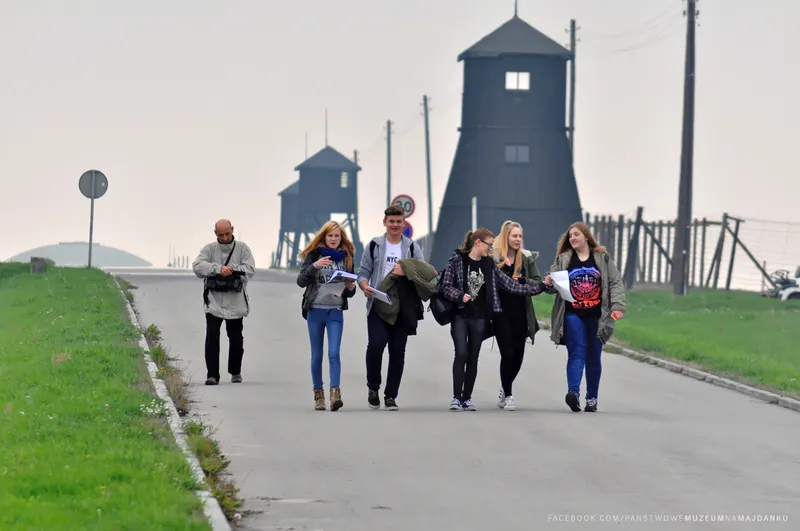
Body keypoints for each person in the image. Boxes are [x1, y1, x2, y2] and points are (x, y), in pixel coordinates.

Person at [439, 228, 545, 411]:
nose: (491, 247)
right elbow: (446, 286)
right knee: (461, 353)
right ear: (478, 243)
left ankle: (467, 398)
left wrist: (540, 287)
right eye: (489, 244)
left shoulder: (489, 265)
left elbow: (511, 285)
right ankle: (456, 398)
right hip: (460, 315)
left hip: (479, 317)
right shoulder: (457, 261)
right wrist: (459, 295)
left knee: (473, 356)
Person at [543, 222, 626, 413]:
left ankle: (592, 398)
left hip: (597, 315)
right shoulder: (564, 259)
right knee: (577, 351)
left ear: (586, 237)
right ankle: (573, 393)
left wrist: (618, 306)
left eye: (576, 234)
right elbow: (552, 285)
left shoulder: (602, 258)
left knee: (594, 355)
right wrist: (548, 282)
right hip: (573, 313)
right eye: (570, 235)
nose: (572, 238)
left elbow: (615, 282)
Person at [356, 204, 425, 411]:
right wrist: (365, 286)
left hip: (402, 306)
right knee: (376, 346)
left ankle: (391, 395)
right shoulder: (374, 246)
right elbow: (363, 273)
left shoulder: (412, 247)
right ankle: (373, 388)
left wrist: (407, 273)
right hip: (378, 304)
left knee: (398, 352)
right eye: (391, 221)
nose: (395, 225)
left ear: (404, 223)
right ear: (385, 222)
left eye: (398, 221)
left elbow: (421, 273)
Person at [296, 221, 357, 411]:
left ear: (341, 238)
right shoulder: (314, 254)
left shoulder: (346, 257)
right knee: (317, 355)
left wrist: (350, 287)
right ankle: (318, 394)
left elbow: (350, 292)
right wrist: (315, 266)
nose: (333, 239)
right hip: (315, 309)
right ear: (324, 237)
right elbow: (301, 281)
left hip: (335, 310)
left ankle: (335, 393)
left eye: (336, 236)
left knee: (334, 353)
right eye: (330, 236)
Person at [192, 219, 256, 386]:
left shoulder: (243, 248)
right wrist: (217, 269)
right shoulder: (209, 249)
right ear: (215, 234)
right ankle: (212, 375)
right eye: (221, 235)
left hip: (235, 301)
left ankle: (235, 371)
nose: (225, 237)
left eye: (227, 233)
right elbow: (198, 267)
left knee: (235, 338)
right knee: (212, 337)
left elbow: (250, 270)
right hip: (213, 301)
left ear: (232, 229)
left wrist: (232, 270)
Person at [491, 221, 545, 411]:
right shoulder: (495, 258)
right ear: (506, 237)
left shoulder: (526, 259)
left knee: (518, 357)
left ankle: (504, 388)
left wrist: (523, 280)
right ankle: (509, 395)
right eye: (514, 236)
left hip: (521, 313)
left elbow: (537, 283)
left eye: (520, 236)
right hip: (500, 313)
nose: (518, 239)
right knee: (507, 354)